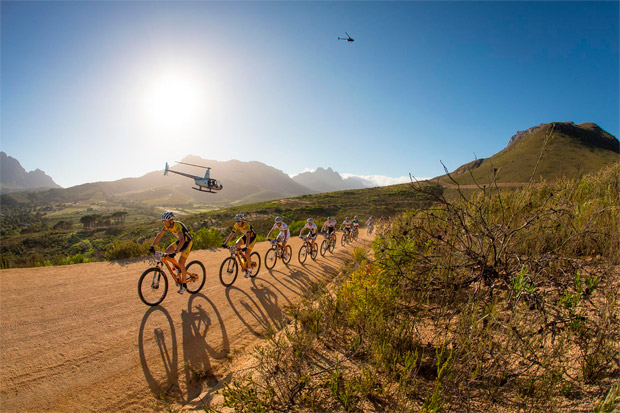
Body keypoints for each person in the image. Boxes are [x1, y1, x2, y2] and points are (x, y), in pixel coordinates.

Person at [150, 211, 193, 294]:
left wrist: (176, 252)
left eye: (165, 222)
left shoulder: (177, 226)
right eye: (163, 222)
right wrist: (152, 245)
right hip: (181, 241)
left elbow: (182, 240)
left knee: (181, 263)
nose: (164, 224)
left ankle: (184, 285)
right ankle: (176, 267)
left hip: (187, 242)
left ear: (170, 221)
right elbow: (159, 235)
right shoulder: (168, 226)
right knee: (167, 251)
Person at [222, 213, 257, 278]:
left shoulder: (247, 225)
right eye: (236, 221)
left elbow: (248, 236)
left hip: (252, 237)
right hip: (245, 236)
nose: (237, 222)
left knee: (247, 253)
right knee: (237, 244)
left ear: (242, 220)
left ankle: (249, 270)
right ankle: (243, 256)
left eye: (238, 221)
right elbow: (232, 234)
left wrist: (246, 247)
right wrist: (225, 243)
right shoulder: (236, 225)